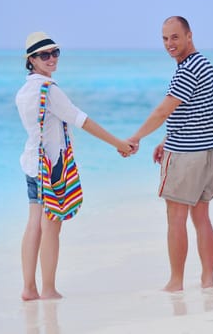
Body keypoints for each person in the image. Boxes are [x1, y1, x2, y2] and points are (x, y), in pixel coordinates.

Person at [16, 32, 133, 301]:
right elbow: (82, 120)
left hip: (32, 162)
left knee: (34, 223)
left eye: (55, 52)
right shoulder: (49, 90)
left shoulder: (24, 92)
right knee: (51, 227)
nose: (51, 58)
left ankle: (28, 288)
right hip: (52, 167)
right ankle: (47, 289)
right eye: (44, 55)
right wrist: (118, 143)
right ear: (31, 60)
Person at [127, 16, 213, 292]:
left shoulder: (186, 70)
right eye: (165, 39)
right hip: (211, 152)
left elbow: (162, 110)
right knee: (202, 217)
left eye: (175, 37)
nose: (170, 44)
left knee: (176, 218)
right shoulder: (205, 65)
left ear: (189, 36)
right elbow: (197, 112)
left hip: (187, 156)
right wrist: (167, 138)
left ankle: (176, 282)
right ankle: (207, 279)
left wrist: (136, 137)